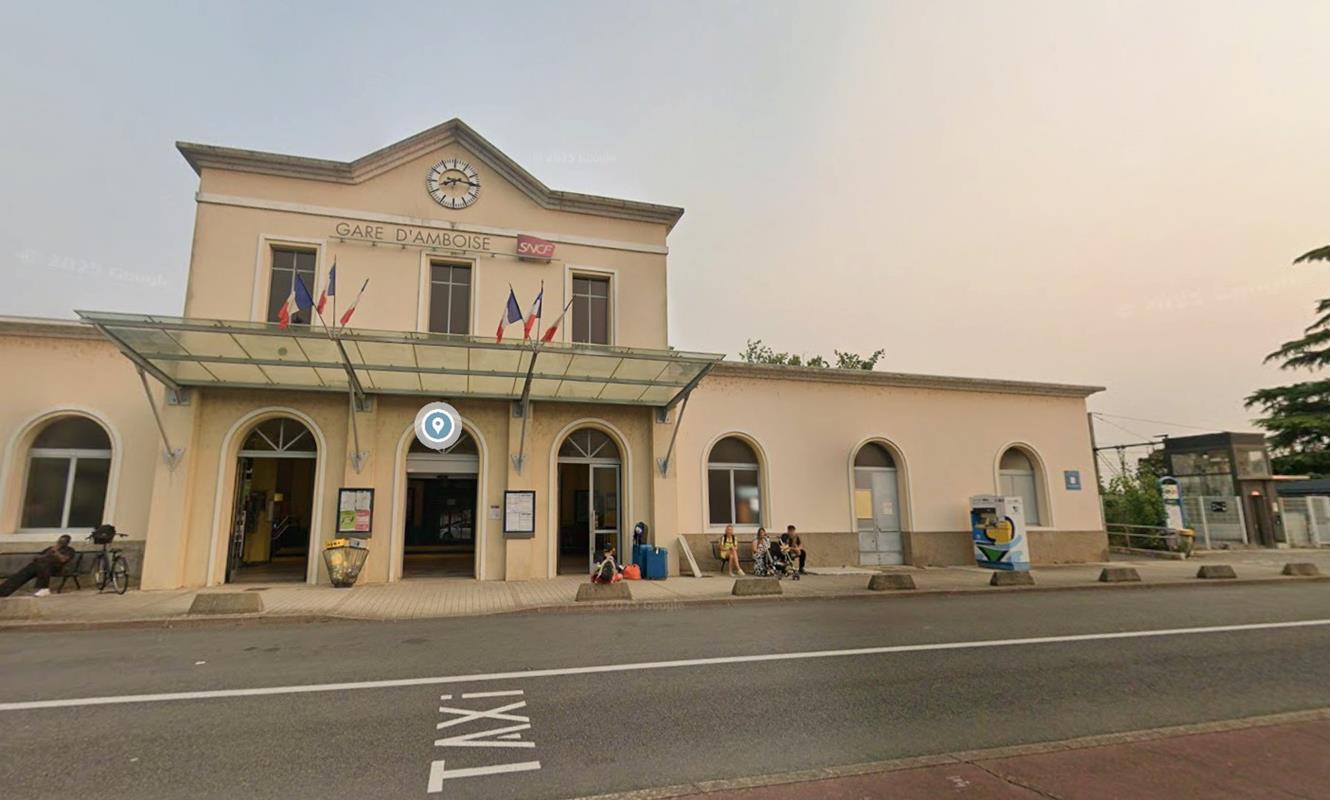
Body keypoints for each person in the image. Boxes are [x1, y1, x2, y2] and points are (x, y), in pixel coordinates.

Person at [0, 534, 76, 597]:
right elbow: (37, 557)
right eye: (59, 541)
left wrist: (56, 552)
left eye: (63, 542)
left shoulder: (70, 550)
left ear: (67, 542)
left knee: (43, 565)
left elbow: (63, 560)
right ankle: (3, 591)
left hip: (57, 569)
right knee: (23, 573)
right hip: (41, 567)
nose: (60, 543)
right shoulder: (50, 548)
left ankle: (44, 588)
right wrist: (47, 554)